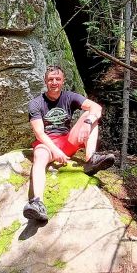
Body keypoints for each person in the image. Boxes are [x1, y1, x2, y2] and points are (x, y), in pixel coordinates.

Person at [23, 64, 116, 223]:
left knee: (90, 114)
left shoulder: (69, 96)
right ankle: (37, 202)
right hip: (47, 143)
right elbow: (39, 133)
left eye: (57, 79)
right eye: (51, 79)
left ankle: (91, 160)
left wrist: (88, 121)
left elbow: (96, 108)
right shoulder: (36, 103)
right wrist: (55, 151)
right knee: (39, 155)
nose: (54, 82)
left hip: (67, 141)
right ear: (45, 81)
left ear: (63, 81)